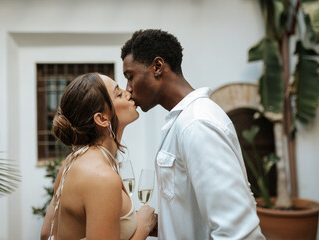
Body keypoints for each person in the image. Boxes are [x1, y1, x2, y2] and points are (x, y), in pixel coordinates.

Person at [121, 29, 265, 239]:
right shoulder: (182, 120)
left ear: (157, 67)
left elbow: (237, 231)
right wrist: (157, 226)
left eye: (130, 77)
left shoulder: (197, 123)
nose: (128, 89)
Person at [40, 73, 157, 240]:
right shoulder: (102, 177)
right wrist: (144, 227)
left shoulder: (72, 162)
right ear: (102, 118)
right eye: (119, 94)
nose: (128, 92)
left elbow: (47, 234)